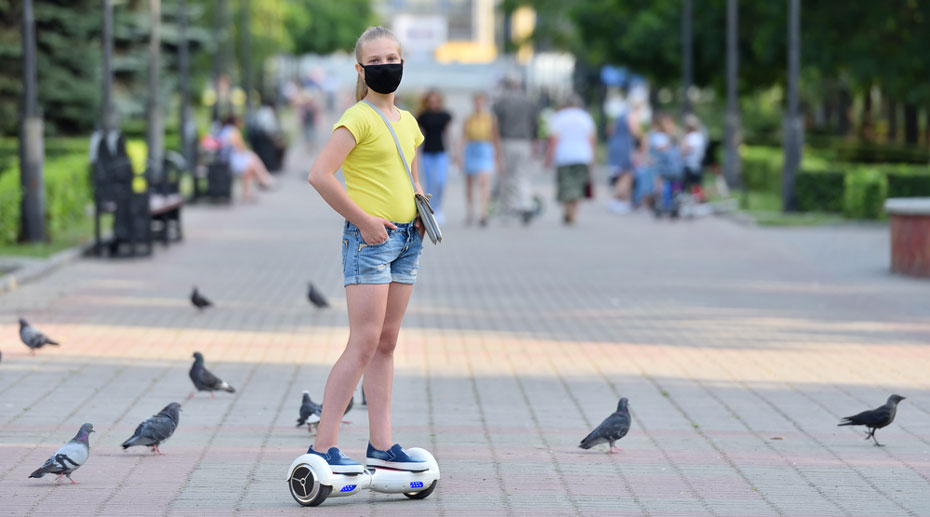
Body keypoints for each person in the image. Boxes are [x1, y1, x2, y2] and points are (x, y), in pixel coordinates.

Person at [305, 26, 428, 475]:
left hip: (406, 242)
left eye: (392, 58)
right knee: (362, 343)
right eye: (375, 61)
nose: (385, 66)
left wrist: (420, 204)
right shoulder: (355, 118)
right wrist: (363, 220)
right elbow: (320, 175)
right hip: (369, 242)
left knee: (387, 343)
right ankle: (324, 447)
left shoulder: (409, 122)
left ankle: (382, 445)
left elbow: (410, 177)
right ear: (361, 69)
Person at [493, 74, 540, 225]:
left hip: (506, 140)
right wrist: (535, 140)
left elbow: (494, 121)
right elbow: (535, 123)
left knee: (506, 175)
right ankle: (526, 203)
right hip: (525, 141)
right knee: (523, 174)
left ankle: (509, 207)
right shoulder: (529, 102)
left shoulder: (502, 101)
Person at [545, 94, 596, 225]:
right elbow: (591, 139)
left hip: (564, 155)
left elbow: (554, 140)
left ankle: (567, 210)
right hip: (582, 155)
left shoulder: (559, 117)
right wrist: (592, 157)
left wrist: (548, 157)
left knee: (565, 184)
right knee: (578, 185)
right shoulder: (585, 117)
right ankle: (574, 213)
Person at [459, 92, 499, 226]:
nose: (478, 104)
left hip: (485, 147)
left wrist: (497, 155)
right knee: (470, 182)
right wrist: (460, 155)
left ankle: (484, 212)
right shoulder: (469, 119)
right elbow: (463, 136)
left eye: (481, 102)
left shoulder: (490, 119)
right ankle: (471, 211)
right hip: (471, 147)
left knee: (484, 181)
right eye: (476, 102)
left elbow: (495, 137)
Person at [218, 115, 275, 201]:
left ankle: (251, 190)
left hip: (226, 159)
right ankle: (263, 179)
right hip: (230, 160)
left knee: (251, 164)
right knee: (252, 161)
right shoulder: (233, 131)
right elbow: (241, 147)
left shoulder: (224, 130)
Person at [416, 90, 452, 225]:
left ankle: (439, 207)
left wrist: (453, 151)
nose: (433, 103)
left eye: (435, 101)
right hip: (427, 153)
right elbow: (418, 136)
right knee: (430, 183)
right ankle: (431, 211)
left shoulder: (445, 115)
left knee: (441, 182)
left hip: (441, 152)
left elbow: (448, 134)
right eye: (430, 101)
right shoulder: (423, 116)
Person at [606, 102, 641, 214]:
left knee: (622, 174)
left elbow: (610, 130)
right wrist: (644, 139)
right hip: (626, 147)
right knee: (628, 175)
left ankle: (620, 200)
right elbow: (635, 131)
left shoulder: (620, 116)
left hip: (616, 145)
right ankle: (617, 200)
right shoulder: (631, 115)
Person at [680, 113, 707, 198]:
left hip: (688, 165)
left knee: (682, 186)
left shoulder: (690, 137)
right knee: (697, 187)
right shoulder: (700, 136)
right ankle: (697, 201)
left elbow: (683, 151)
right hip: (697, 164)